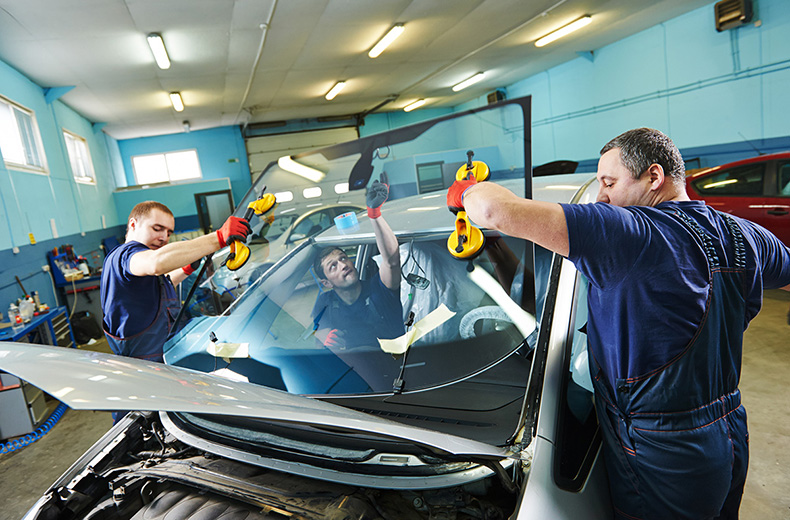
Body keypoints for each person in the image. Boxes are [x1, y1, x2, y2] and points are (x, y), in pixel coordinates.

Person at [448, 128, 790, 519]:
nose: (603, 197)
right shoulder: (743, 234)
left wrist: (466, 192)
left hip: (662, 452)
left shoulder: (627, 232)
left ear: (654, 177)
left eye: (609, 182)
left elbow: (494, 212)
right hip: (728, 433)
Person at [101, 201, 251, 363]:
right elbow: (155, 263)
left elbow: (158, 289)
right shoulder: (124, 255)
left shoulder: (139, 265)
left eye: (168, 233)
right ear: (133, 224)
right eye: (157, 229)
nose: (163, 238)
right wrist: (219, 237)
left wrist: (185, 269)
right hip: (151, 364)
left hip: (173, 349)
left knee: (242, 344)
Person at [311, 180, 403, 350]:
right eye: (333, 266)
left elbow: (391, 261)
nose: (343, 264)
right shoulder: (325, 303)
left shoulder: (379, 288)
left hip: (398, 365)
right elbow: (318, 338)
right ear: (327, 283)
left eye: (343, 258)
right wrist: (322, 338)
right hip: (356, 370)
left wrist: (374, 215)